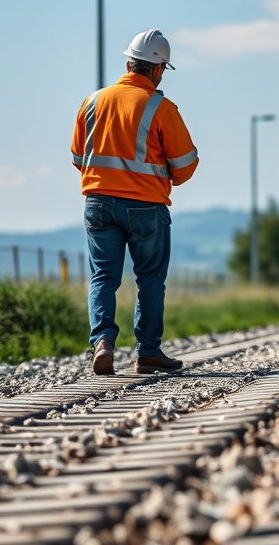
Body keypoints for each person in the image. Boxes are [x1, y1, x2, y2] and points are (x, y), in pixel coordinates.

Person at [71, 29, 199, 375]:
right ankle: (148, 352)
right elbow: (186, 165)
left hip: (97, 203)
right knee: (150, 280)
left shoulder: (93, 101)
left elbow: (78, 157)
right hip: (146, 207)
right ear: (158, 70)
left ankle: (102, 343)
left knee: (102, 277)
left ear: (128, 63)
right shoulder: (161, 107)